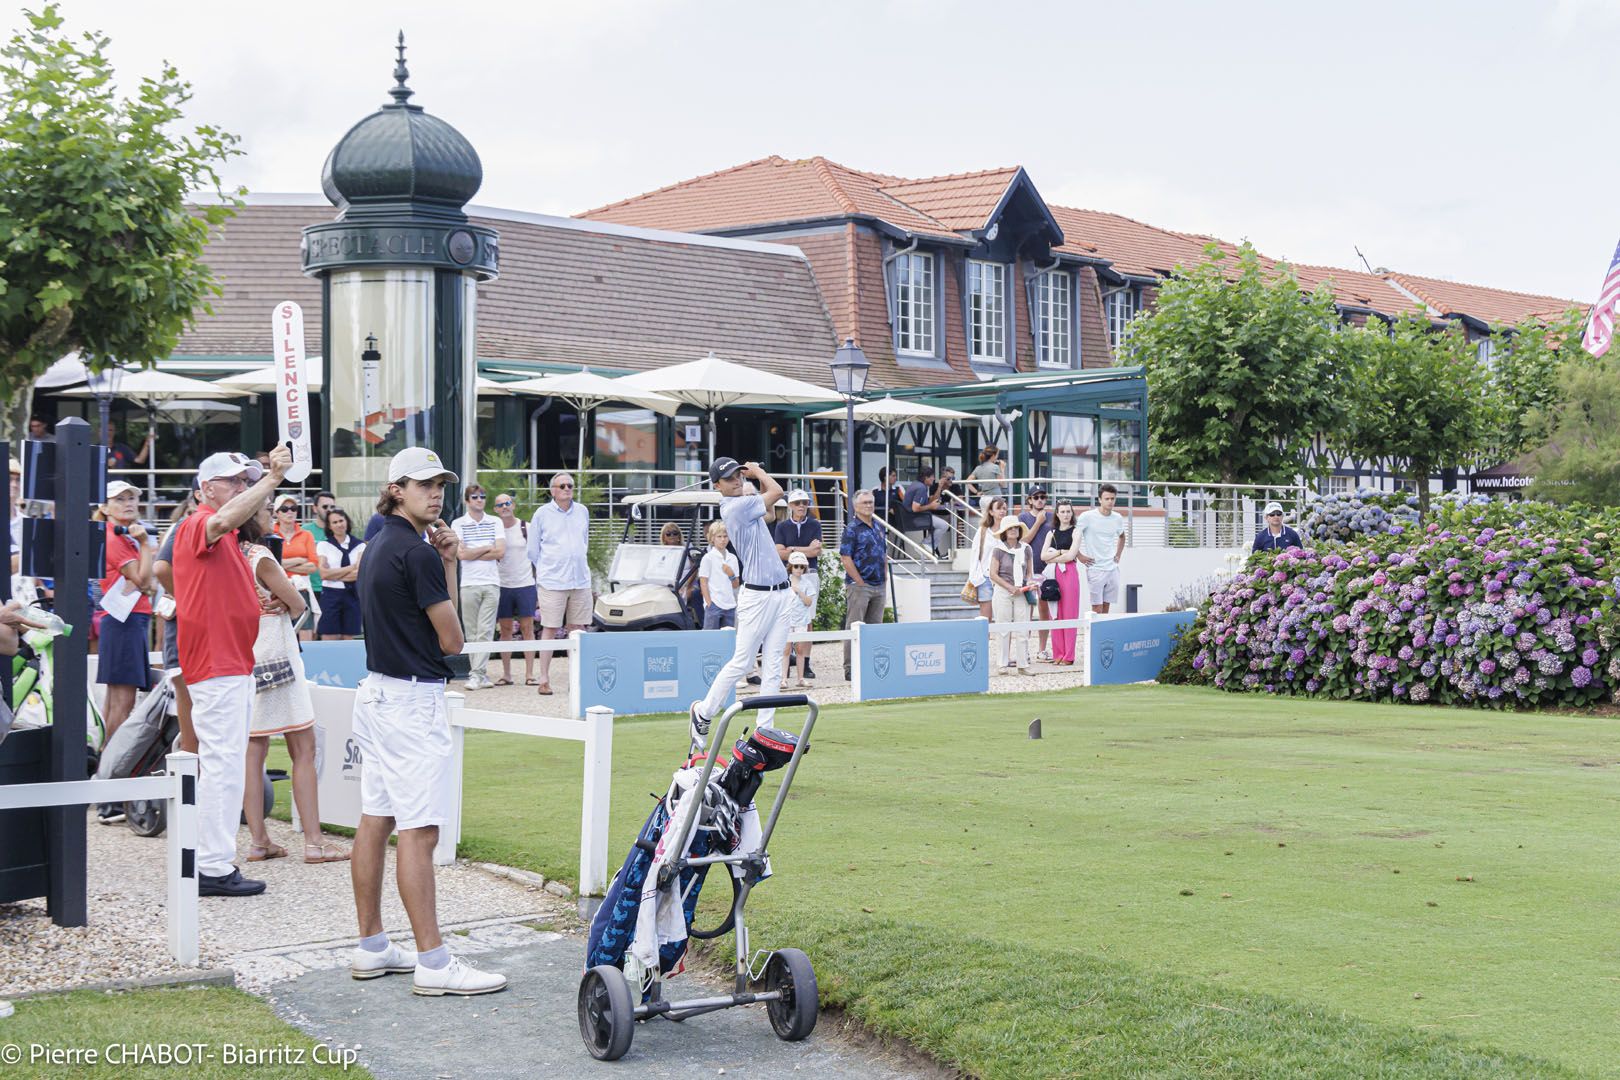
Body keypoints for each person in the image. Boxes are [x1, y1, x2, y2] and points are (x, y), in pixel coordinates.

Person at [350, 446, 507, 996]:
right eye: (423, 484)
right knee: (419, 831)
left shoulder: (377, 544)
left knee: (376, 819)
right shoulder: (414, 553)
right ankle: (434, 962)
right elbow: (453, 640)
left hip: (378, 693)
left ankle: (372, 945)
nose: (435, 493)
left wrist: (447, 560)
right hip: (410, 702)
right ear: (396, 490)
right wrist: (445, 562)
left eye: (440, 484)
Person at [173, 445, 292, 898]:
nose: (243, 488)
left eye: (247, 481)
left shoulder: (219, 531)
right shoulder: (199, 523)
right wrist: (272, 479)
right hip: (217, 663)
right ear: (207, 488)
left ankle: (212, 862)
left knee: (224, 763)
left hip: (229, 662)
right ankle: (211, 865)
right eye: (234, 481)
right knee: (223, 765)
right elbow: (221, 522)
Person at [238, 502, 348, 865]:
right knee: (303, 747)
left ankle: (259, 840)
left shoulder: (231, 554)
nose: (273, 515)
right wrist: (283, 600)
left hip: (246, 655)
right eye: (268, 510)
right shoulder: (260, 556)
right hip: (276, 654)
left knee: (253, 751)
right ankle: (314, 842)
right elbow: (297, 603)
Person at [688, 458, 794, 745]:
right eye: (729, 478)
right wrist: (758, 472)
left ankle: (764, 729)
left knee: (773, 664)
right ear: (717, 486)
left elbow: (770, 513)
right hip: (757, 596)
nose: (736, 480)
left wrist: (753, 482)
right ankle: (703, 711)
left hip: (782, 592)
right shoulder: (734, 507)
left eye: (739, 475)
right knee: (742, 661)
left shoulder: (747, 505)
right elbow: (778, 492)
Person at [94, 480, 155, 824]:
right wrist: (145, 544)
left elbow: (144, 581)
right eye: (121, 499)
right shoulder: (116, 538)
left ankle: (106, 785)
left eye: (132, 497)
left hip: (125, 619)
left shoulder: (119, 536)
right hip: (124, 620)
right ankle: (110, 790)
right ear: (106, 507)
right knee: (121, 705)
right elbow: (144, 580)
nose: (129, 503)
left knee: (116, 704)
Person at [526, 472, 590, 697]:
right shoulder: (542, 514)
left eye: (570, 485)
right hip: (552, 581)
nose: (567, 489)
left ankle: (577, 680)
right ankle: (544, 678)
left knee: (578, 630)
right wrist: (549, 569)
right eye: (562, 486)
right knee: (550, 629)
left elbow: (584, 542)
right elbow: (533, 551)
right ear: (552, 490)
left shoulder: (582, 511)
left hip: (580, 579)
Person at [154, 493, 198, 754]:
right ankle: (190, 765)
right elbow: (160, 570)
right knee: (187, 698)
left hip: (190, 627)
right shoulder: (183, 527)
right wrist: (187, 600)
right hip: (183, 628)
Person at [450, 484, 504, 692]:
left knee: (486, 630)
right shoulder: (458, 523)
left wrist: (474, 551)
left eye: (482, 496)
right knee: (472, 632)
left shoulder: (495, 521)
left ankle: (476, 675)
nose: (479, 499)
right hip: (469, 583)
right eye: (475, 497)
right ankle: (480, 674)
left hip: (491, 583)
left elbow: (500, 552)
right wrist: (487, 547)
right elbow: (461, 555)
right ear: (467, 501)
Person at [838, 489, 886, 681]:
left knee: (875, 629)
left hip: (879, 585)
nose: (869, 505)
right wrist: (859, 581)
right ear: (855, 506)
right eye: (865, 502)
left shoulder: (878, 527)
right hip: (859, 586)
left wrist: (884, 578)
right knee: (854, 626)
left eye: (871, 502)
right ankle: (850, 668)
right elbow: (845, 557)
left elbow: (883, 553)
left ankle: (870, 665)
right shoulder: (851, 529)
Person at [773, 489, 821, 679]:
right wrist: (805, 550)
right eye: (797, 503)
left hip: (809, 574)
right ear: (790, 505)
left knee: (808, 620)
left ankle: (805, 664)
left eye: (805, 502)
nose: (801, 506)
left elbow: (816, 551)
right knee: (786, 617)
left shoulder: (814, 524)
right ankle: (786, 663)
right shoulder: (782, 526)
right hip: (787, 575)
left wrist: (791, 549)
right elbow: (779, 553)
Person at [491, 493, 538, 686]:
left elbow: (537, 554)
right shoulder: (494, 529)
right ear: (495, 509)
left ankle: (530, 674)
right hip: (503, 584)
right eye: (500, 504)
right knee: (505, 630)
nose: (504, 507)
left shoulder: (526, 527)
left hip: (525, 583)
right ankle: (506, 674)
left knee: (528, 629)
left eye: (507, 503)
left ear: (514, 505)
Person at [989, 516, 1036, 676]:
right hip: (1003, 591)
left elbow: (1029, 573)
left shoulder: (1026, 549)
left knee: (1023, 628)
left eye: (1016, 527)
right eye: (1010, 528)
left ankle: (1023, 665)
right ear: (1004, 531)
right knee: (1003, 628)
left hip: (1022, 591)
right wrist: (1010, 587)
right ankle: (1002, 664)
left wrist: (1030, 583)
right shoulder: (998, 549)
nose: (1013, 530)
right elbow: (993, 574)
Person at [1041, 499, 1083, 664]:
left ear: (1072, 513)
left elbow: (1071, 556)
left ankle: (1069, 655)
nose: (1066, 514)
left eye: (1068, 511)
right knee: (1055, 612)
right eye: (1062, 511)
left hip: (1069, 572)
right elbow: (1043, 556)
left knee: (1069, 612)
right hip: (1053, 574)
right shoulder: (1051, 533)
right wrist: (1060, 552)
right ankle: (1058, 654)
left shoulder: (1076, 532)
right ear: (1057, 514)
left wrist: (1053, 557)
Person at [272, 494, 320, 640]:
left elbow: (313, 566)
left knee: (305, 629)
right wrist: (299, 560)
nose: (290, 512)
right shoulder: (270, 534)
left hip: (302, 587)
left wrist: (282, 564)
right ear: (277, 513)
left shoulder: (306, 535)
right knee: (279, 632)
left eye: (293, 508)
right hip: (277, 588)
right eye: (284, 509)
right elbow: (270, 564)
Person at [1077, 483, 1129, 615]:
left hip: (1112, 568)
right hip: (1095, 569)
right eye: (1107, 499)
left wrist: (1118, 554)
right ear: (1100, 499)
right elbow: (1072, 537)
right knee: (1097, 609)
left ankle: (1104, 630)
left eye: (1112, 498)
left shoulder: (1117, 518)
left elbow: (1122, 536)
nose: (1110, 501)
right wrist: (1079, 555)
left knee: (1106, 607)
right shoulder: (1086, 517)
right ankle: (1094, 630)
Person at [315, 509, 365, 640]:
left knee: (348, 637)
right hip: (330, 595)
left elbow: (360, 574)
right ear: (329, 526)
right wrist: (352, 567)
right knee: (329, 635)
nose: (339, 524)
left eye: (341, 520)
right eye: (335, 522)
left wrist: (333, 574)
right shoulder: (324, 545)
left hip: (352, 595)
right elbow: (324, 574)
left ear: (347, 521)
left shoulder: (360, 545)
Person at [1018, 487, 1054, 661]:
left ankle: (1042, 649)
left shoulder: (1052, 516)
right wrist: (1038, 522)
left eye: (1043, 497)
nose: (1040, 500)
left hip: (1047, 570)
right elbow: (1022, 541)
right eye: (1036, 497)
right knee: (1027, 612)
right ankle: (1024, 651)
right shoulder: (1023, 518)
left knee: (1044, 611)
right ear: (1030, 500)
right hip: (1029, 571)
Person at [967, 496, 1009, 620]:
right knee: (986, 618)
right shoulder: (983, 531)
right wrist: (975, 577)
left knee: (1004, 617)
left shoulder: (1009, 531)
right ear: (991, 512)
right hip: (985, 577)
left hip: (1005, 578)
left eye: (1004, 508)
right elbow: (975, 555)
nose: (1002, 511)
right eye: (999, 508)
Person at [782, 551, 817, 686]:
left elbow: (809, 602)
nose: (799, 569)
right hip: (786, 620)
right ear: (791, 566)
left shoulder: (807, 583)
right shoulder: (784, 582)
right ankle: (783, 679)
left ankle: (800, 678)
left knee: (800, 650)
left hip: (801, 620)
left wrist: (799, 592)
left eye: (802, 567)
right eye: (796, 566)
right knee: (785, 650)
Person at [697, 520, 739, 629]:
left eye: (725, 536)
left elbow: (736, 585)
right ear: (712, 538)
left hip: (730, 606)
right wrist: (709, 603)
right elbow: (703, 583)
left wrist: (731, 574)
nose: (723, 539)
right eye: (719, 536)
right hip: (714, 605)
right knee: (710, 637)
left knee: (727, 638)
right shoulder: (708, 558)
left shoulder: (733, 558)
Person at [904, 466, 947, 556]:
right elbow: (915, 508)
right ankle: (925, 544)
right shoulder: (921, 488)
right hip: (914, 519)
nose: (934, 479)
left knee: (938, 525)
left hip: (912, 517)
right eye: (932, 476)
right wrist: (931, 506)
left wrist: (939, 487)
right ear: (926, 477)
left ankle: (929, 549)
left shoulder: (918, 485)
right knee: (943, 525)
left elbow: (931, 500)